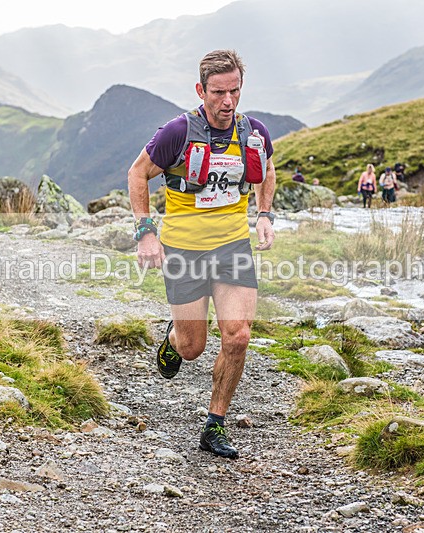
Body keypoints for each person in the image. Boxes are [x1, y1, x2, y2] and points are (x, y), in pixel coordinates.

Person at [128, 49, 276, 460]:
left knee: (238, 336)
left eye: (235, 91)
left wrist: (264, 213)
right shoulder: (177, 132)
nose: (227, 102)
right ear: (201, 90)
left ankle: (214, 424)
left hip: (232, 247)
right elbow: (137, 172)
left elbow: (267, 169)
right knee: (194, 346)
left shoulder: (253, 132)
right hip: (184, 249)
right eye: (218, 92)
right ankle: (173, 341)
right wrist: (145, 231)